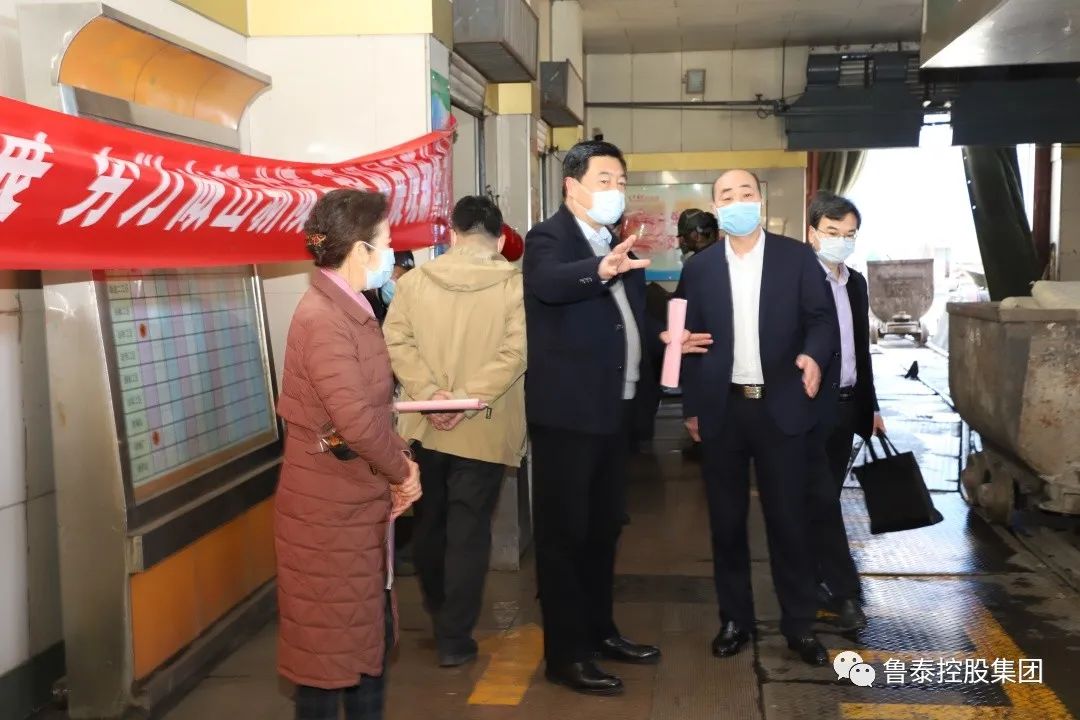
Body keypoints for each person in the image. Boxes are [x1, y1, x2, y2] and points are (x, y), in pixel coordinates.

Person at [666, 169, 838, 667]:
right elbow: (687, 340)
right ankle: (734, 620)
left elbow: (821, 320)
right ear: (716, 206)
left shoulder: (796, 258)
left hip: (781, 407)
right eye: (727, 195)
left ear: (760, 201)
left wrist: (813, 355)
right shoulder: (700, 268)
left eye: (746, 193)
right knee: (726, 523)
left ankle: (799, 625)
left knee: (789, 521)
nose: (738, 200)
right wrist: (692, 407)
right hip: (723, 409)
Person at [274, 189, 422, 720]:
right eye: (387, 240)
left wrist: (399, 459)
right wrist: (402, 471)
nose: (391, 252)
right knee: (329, 658)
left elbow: (367, 412)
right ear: (360, 248)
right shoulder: (325, 319)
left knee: (357, 645)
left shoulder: (346, 307)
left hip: (348, 503)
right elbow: (354, 421)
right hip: (329, 514)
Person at [523, 139, 661, 696]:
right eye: (604, 180)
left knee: (604, 530)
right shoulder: (548, 238)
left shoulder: (617, 243)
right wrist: (599, 269)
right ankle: (565, 654)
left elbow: (628, 321)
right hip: (568, 416)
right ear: (571, 185)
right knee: (564, 537)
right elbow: (548, 283)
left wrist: (667, 340)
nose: (615, 190)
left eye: (621, 181)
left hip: (613, 411)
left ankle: (600, 631)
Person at [383, 195, 527, 668]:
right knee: (469, 529)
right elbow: (516, 353)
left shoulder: (413, 283)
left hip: (424, 423)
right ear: (500, 239)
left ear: (452, 233)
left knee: (429, 523)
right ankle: (454, 637)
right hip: (484, 426)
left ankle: (438, 608)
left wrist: (432, 396)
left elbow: (396, 341)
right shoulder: (515, 286)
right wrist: (466, 399)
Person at [805, 191, 885, 631]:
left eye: (849, 234)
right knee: (819, 497)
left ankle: (812, 577)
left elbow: (861, 352)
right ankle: (844, 590)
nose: (841, 240)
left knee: (824, 498)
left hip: (848, 405)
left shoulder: (855, 282)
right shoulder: (796, 279)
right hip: (808, 408)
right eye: (832, 232)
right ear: (812, 233)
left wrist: (871, 407)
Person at [364, 251, 416, 323]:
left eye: (405, 279)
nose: (400, 283)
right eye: (398, 276)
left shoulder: (387, 310)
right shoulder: (363, 306)